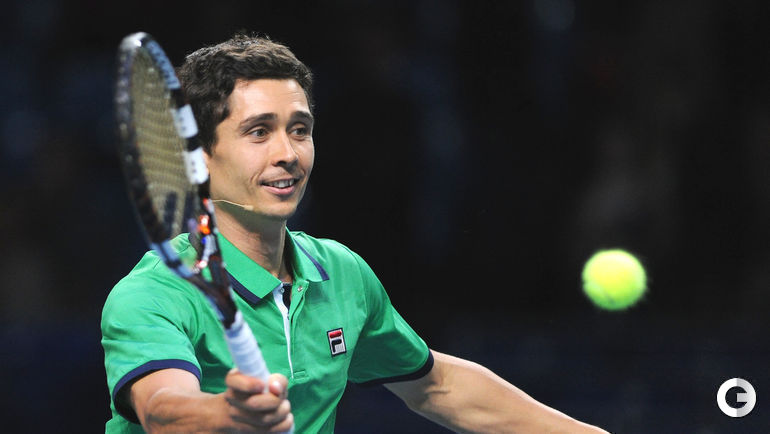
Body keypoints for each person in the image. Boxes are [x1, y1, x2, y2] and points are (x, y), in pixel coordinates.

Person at [101, 34, 607, 433]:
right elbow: (164, 409)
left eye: (299, 129)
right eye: (259, 132)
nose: (288, 154)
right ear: (199, 157)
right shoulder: (152, 294)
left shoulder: (340, 273)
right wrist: (226, 414)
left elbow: (437, 386)